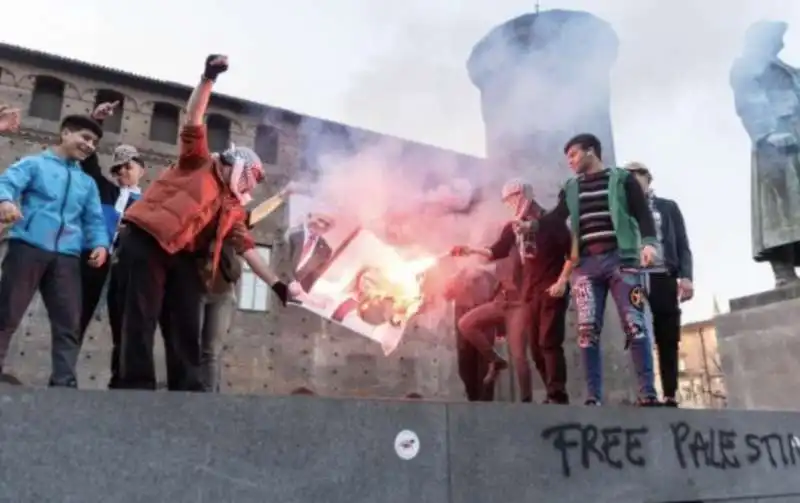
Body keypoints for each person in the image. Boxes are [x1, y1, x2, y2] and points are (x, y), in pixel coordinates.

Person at [112, 54, 288, 391]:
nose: (248, 188)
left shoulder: (232, 205)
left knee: (185, 321)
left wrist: (278, 285)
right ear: (237, 167)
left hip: (183, 256)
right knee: (141, 315)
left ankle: (187, 388)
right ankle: (136, 386)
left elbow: (247, 248)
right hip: (147, 239)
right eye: (248, 180)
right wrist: (208, 78)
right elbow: (194, 116)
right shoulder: (198, 161)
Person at [548, 133, 659, 406]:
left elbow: (642, 213)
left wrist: (648, 243)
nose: (570, 162)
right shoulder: (571, 188)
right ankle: (593, 397)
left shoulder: (622, 180)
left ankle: (647, 393)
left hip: (621, 260)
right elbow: (555, 217)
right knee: (587, 331)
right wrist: (532, 225)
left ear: (590, 152)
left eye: (573, 155)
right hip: (585, 266)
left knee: (635, 325)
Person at [0, 113, 109, 387]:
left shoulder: (87, 183)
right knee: (6, 316)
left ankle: (64, 383)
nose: (89, 145)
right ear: (65, 134)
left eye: (94, 142)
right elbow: (6, 183)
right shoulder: (34, 164)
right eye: (85, 137)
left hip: (67, 259)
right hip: (27, 248)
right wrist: (5, 202)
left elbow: (94, 219)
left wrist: (100, 244)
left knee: (68, 324)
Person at [450, 180, 573, 404]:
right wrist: (469, 250)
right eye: (507, 201)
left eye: (513, 198)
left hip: (539, 294)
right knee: (534, 348)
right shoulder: (512, 227)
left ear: (525, 194)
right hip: (519, 296)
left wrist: (563, 280)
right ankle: (503, 365)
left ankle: (545, 397)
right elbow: (496, 250)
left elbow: (571, 252)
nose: (510, 204)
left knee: (539, 347)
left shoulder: (549, 221)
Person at [624, 162, 694, 407]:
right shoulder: (623, 209)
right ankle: (645, 392)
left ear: (648, 178)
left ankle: (671, 393)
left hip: (663, 275)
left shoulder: (667, 207)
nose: (632, 178)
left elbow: (683, 244)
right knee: (637, 333)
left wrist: (686, 277)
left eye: (637, 174)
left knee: (667, 334)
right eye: (628, 175)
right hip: (634, 277)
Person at [78, 104, 145, 341]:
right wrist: (96, 121)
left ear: (141, 171)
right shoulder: (104, 189)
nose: (122, 173)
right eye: (117, 169)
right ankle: (64, 376)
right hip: (93, 260)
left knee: (124, 326)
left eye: (128, 167)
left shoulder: (148, 204)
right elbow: (89, 159)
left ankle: (121, 377)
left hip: (125, 268)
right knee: (78, 317)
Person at [444, 266, 501, 402]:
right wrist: (451, 281)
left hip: (484, 326)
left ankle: (485, 403)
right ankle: (472, 400)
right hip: (463, 325)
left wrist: (501, 328)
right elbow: (447, 295)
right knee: (465, 366)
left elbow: (499, 303)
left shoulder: (490, 275)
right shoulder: (458, 275)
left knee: (485, 367)